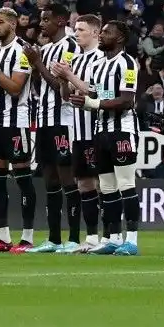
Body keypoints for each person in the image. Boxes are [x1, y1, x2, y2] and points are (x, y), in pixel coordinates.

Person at [23, 5, 80, 253]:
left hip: (63, 122)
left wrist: (38, 64)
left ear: (61, 21)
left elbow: (61, 85)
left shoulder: (70, 47)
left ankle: (75, 238)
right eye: (41, 19)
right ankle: (54, 238)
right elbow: (41, 83)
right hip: (44, 121)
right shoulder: (45, 49)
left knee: (68, 178)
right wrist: (35, 66)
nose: (42, 23)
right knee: (50, 181)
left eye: (47, 19)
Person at [0, 7, 37, 252]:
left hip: (16, 124)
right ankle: (2, 237)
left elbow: (15, 88)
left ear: (13, 25)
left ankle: (27, 237)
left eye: (0, 22)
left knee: (23, 180)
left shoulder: (23, 51)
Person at [88, 22, 143, 255]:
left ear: (120, 38)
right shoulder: (97, 65)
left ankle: (131, 240)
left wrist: (93, 103)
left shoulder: (128, 63)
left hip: (123, 130)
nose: (101, 35)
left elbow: (127, 100)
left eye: (107, 32)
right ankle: (112, 238)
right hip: (101, 131)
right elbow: (93, 96)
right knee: (107, 187)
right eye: (101, 32)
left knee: (126, 184)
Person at [59, 14, 108, 253]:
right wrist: (61, 79)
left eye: (81, 30)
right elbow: (66, 96)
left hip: (96, 131)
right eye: (75, 29)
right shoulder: (76, 60)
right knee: (84, 184)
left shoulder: (101, 59)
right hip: (77, 131)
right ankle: (91, 238)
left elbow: (96, 91)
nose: (76, 33)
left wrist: (68, 76)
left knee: (102, 184)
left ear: (95, 33)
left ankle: (110, 237)